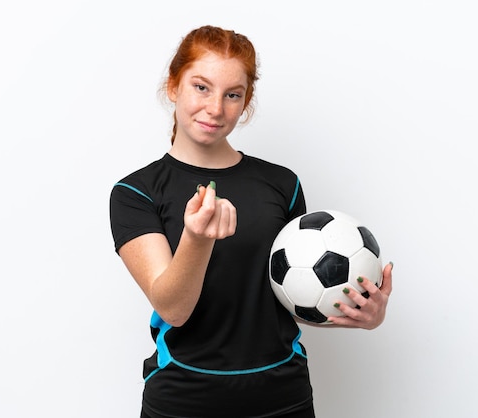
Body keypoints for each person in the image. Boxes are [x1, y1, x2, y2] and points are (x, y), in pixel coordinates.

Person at [109, 25, 393, 418]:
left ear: (246, 102)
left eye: (233, 95)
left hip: (282, 397)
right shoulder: (136, 193)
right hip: (183, 400)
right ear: (173, 86)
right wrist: (197, 238)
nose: (215, 108)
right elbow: (173, 309)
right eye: (201, 87)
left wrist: (359, 315)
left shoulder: (281, 184)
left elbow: (296, 299)